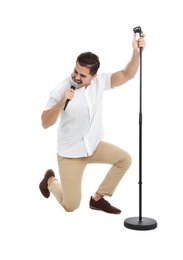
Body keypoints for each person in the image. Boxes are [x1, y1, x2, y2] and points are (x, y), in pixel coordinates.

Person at [39, 32, 146, 214]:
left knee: (124, 159)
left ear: (94, 76)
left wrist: (136, 53)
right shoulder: (60, 89)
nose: (76, 77)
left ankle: (97, 198)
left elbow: (128, 74)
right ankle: (50, 181)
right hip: (70, 154)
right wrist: (61, 102)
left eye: (83, 75)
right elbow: (45, 123)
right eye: (75, 71)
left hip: (93, 145)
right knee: (70, 205)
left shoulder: (101, 82)